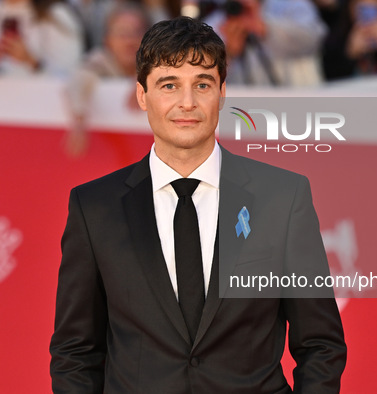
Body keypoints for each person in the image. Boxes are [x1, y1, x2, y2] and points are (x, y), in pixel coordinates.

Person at [50, 16, 346, 393]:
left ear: (222, 92)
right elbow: (75, 350)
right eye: (169, 85)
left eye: (202, 84)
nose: (186, 103)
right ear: (143, 95)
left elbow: (320, 343)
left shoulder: (283, 198)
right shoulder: (94, 207)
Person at [63, 2, 150, 157]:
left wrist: (144, 77)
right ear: (107, 40)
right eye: (122, 33)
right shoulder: (101, 60)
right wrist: (79, 119)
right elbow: (81, 78)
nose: (129, 40)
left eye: (136, 33)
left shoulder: (156, 61)